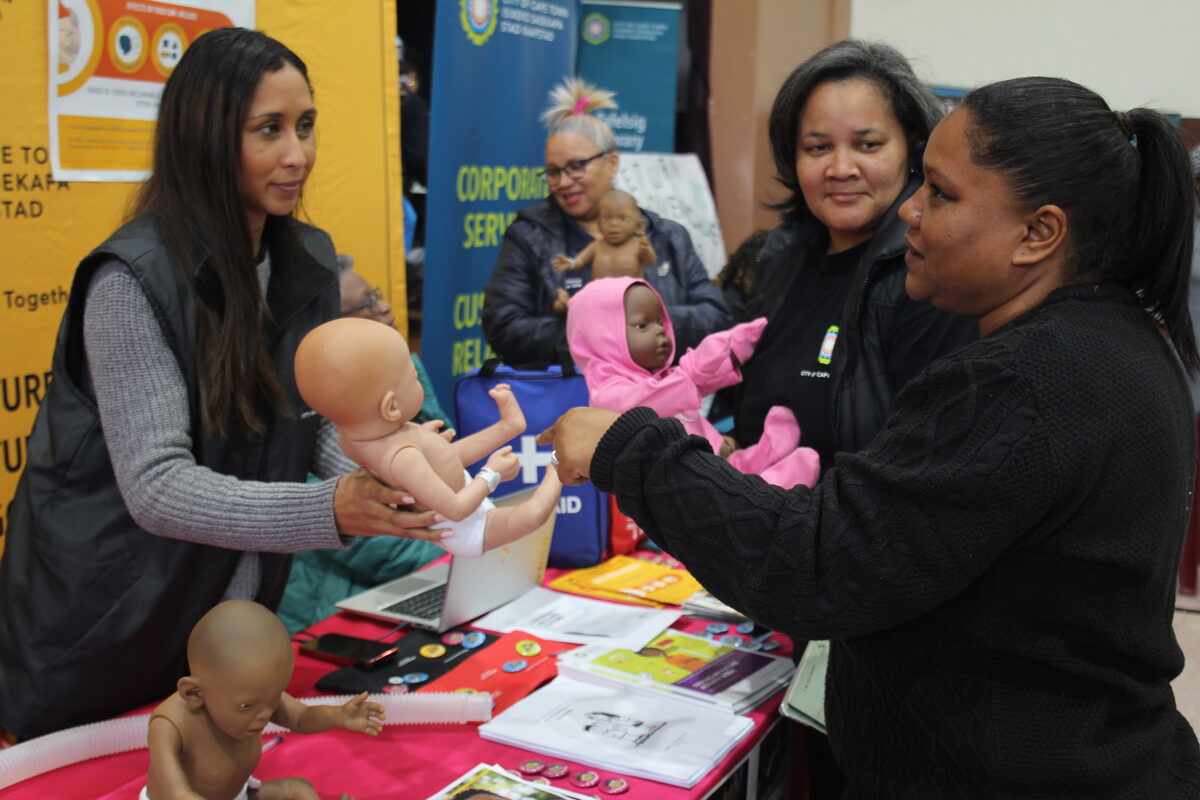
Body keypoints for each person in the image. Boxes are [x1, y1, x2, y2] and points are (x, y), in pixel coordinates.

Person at [540, 76, 1200, 798]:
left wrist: (630, 447)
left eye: (941, 194)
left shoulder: (1021, 381)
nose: (911, 211)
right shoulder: (1111, 340)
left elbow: (819, 564)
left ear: (1038, 233)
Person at [0, 28, 441, 742]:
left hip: (228, 624)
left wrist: (397, 472)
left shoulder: (305, 260)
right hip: (104, 625)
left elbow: (317, 420)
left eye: (305, 125)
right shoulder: (130, 278)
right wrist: (332, 508)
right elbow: (157, 487)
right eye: (268, 130)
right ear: (206, 137)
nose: (297, 154)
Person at [725, 40, 975, 473]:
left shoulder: (931, 278)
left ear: (913, 148)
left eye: (868, 145)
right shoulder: (776, 258)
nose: (840, 168)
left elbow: (922, 472)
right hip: (754, 524)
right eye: (818, 148)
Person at [482, 77, 729, 367]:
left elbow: (715, 316)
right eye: (553, 172)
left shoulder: (666, 235)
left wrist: (643, 325)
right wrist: (601, 336)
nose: (563, 182)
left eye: (576, 167)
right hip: (569, 400)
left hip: (656, 401)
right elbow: (504, 327)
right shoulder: (530, 235)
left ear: (612, 162)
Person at [276, 256, 449, 634]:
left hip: (423, 573)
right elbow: (384, 541)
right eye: (365, 305)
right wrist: (458, 556)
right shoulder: (306, 427)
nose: (383, 307)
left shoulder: (403, 374)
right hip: (339, 610)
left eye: (377, 294)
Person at [295, 318, 563, 558]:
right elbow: (456, 510)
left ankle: (510, 425)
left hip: (453, 484)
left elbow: (445, 462)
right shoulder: (402, 457)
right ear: (391, 408)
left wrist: (428, 443)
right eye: (414, 379)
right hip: (471, 528)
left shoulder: (356, 439)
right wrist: (491, 474)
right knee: (533, 515)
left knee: (447, 453)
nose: (419, 381)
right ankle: (558, 460)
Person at [566, 277, 818, 489]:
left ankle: (765, 455)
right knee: (731, 490)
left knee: (736, 468)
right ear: (603, 337)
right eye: (643, 325)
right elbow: (649, 401)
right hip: (683, 485)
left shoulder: (656, 378)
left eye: (660, 322)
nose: (660, 331)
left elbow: (695, 384)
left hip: (712, 461)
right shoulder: (608, 393)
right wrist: (694, 367)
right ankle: (769, 487)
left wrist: (735, 350)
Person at [145, 600, 381, 800]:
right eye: (246, 707)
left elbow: (302, 718)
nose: (266, 714)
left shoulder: (257, 695)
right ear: (194, 693)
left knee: (298, 789)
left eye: (275, 696)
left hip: (239, 793)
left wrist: (338, 715)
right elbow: (177, 793)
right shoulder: (170, 725)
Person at [551, 188, 656, 312]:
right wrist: (570, 263)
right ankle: (569, 304)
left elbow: (650, 262)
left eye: (623, 218)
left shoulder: (637, 245)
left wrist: (646, 250)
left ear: (639, 226)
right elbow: (580, 261)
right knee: (584, 300)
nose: (614, 224)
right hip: (598, 298)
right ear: (599, 225)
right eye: (606, 219)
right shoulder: (597, 246)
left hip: (630, 298)